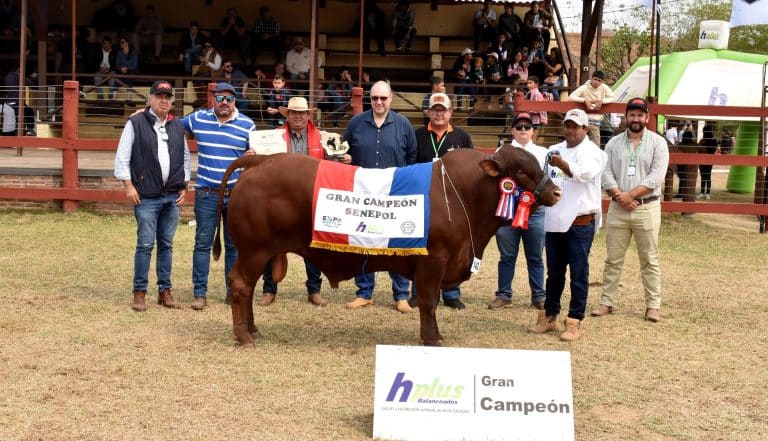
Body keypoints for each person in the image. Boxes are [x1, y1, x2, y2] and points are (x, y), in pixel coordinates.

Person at [528, 108, 607, 341]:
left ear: (585, 129)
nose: (570, 130)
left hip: (580, 221)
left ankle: (574, 320)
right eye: (567, 125)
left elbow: (585, 174)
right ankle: (550, 316)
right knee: (554, 273)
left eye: (575, 126)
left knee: (579, 273)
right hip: (554, 219)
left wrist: (563, 164)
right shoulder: (555, 150)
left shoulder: (593, 152)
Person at [114, 80, 191, 312]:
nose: (163, 100)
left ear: (172, 101)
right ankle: (139, 292)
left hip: (171, 195)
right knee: (146, 244)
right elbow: (122, 157)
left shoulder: (177, 124)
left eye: (167, 97)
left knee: (166, 245)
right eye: (159, 96)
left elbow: (185, 158)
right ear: (150, 99)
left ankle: (164, 291)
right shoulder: (135, 122)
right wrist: (129, 186)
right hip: (146, 195)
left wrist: (184, 185)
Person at [342, 80, 417, 313]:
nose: (379, 102)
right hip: (363, 195)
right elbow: (345, 150)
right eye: (375, 98)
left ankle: (401, 295)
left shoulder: (403, 124)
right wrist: (346, 159)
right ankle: (364, 293)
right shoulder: (356, 122)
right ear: (370, 99)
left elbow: (412, 157)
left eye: (383, 98)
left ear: (390, 99)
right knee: (364, 243)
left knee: (396, 245)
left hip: (393, 195)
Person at [594, 97, 669, 323]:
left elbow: (656, 176)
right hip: (618, 208)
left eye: (640, 115)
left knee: (649, 259)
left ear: (647, 117)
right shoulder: (613, 143)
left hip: (646, 208)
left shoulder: (658, 143)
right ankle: (606, 301)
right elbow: (605, 173)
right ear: (626, 117)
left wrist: (631, 195)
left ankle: (653, 305)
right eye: (632, 114)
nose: (636, 119)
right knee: (613, 259)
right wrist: (620, 196)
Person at [184, 83, 256, 310]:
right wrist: (144, 114)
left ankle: (231, 291)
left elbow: (256, 155)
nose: (224, 102)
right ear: (212, 100)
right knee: (202, 244)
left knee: (234, 245)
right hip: (207, 192)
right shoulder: (198, 119)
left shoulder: (247, 125)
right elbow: (171, 124)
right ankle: (199, 293)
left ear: (235, 101)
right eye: (220, 98)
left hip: (236, 193)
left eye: (229, 98)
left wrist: (251, 156)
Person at [259, 97, 328, 307]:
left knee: (314, 245)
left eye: (302, 113)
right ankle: (269, 289)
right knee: (273, 244)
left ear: (308, 115)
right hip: (281, 197)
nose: (298, 116)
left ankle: (314, 290)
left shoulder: (321, 138)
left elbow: (329, 164)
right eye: (293, 112)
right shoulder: (274, 138)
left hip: (310, 197)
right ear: (287, 115)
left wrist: (342, 158)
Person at [411, 92, 473, 310]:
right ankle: (418, 292)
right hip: (423, 200)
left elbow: (470, 169)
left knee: (452, 248)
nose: (439, 113)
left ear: (450, 113)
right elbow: (409, 166)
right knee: (420, 246)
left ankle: (451, 292)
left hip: (453, 204)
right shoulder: (416, 135)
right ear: (428, 112)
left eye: (443, 109)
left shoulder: (462, 137)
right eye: (435, 109)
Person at [488, 112, 548, 311]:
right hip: (507, 212)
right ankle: (504, 295)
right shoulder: (502, 152)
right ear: (512, 130)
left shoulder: (543, 153)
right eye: (519, 127)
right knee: (506, 256)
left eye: (527, 127)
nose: (523, 130)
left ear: (533, 131)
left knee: (536, 257)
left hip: (535, 211)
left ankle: (539, 296)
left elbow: (547, 182)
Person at [568, 70, 615, 146]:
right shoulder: (584, 87)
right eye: (595, 79)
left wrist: (602, 101)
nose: (596, 82)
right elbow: (570, 97)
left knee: (595, 146)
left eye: (599, 81)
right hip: (582, 121)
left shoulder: (604, 88)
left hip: (595, 121)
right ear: (592, 79)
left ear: (602, 82)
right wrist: (584, 100)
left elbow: (613, 98)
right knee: (579, 145)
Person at [92, 35, 117, 100]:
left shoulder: (114, 52)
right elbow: (93, 62)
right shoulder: (97, 51)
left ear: (111, 44)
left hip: (110, 70)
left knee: (112, 79)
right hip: (100, 70)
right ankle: (100, 96)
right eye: (105, 43)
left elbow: (116, 64)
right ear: (102, 44)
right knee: (97, 77)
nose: (106, 45)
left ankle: (111, 96)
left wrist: (109, 69)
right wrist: (99, 69)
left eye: (108, 44)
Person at [524, 76, 548, 142]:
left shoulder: (537, 94)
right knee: (530, 132)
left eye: (530, 83)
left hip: (537, 118)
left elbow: (539, 107)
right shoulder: (529, 93)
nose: (528, 85)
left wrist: (529, 110)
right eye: (527, 83)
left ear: (536, 84)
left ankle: (532, 146)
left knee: (535, 132)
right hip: (530, 116)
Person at [698, 121, 717, 200]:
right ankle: (702, 192)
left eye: (705, 132)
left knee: (708, 176)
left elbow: (712, 150)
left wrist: (704, 147)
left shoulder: (713, 141)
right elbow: (698, 149)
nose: (704, 133)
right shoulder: (702, 140)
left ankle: (708, 193)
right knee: (703, 176)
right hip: (701, 160)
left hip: (709, 160)